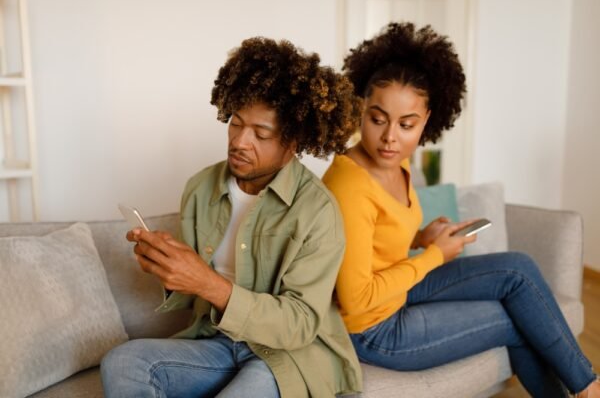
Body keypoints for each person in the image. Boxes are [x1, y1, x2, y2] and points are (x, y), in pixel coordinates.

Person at [322, 22, 599, 398]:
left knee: (517, 269)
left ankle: (587, 385)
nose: (390, 137)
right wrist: (434, 255)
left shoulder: (396, 160)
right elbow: (356, 299)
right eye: (377, 119)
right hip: (374, 330)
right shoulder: (350, 185)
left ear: (426, 121)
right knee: (516, 320)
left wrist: (422, 237)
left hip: (399, 291)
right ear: (360, 110)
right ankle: (588, 390)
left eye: (407, 124)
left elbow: (374, 239)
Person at [101, 37, 363, 398]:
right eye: (236, 123)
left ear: (293, 143)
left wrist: (207, 282)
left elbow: (300, 323)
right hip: (217, 341)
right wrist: (169, 269)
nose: (240, 141)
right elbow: (195, 292)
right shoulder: (201, 188)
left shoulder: (318, 211)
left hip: (287, 357)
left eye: (261, 133)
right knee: (123, 362)